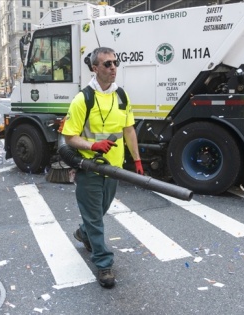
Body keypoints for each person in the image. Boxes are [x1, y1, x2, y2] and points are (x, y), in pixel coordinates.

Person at [61, 47, 143, 289]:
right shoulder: (82, 99)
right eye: (107, 64)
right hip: (90, 169)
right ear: (94, 68)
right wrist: (93, 144)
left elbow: (129, 130)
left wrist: (137, 160)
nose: (113, 67)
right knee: (96, 218)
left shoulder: (122, 97)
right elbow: (69, 137)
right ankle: (104, 263)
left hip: (114, 169)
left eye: (115, 63)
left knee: (99, 213)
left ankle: (83, 233)